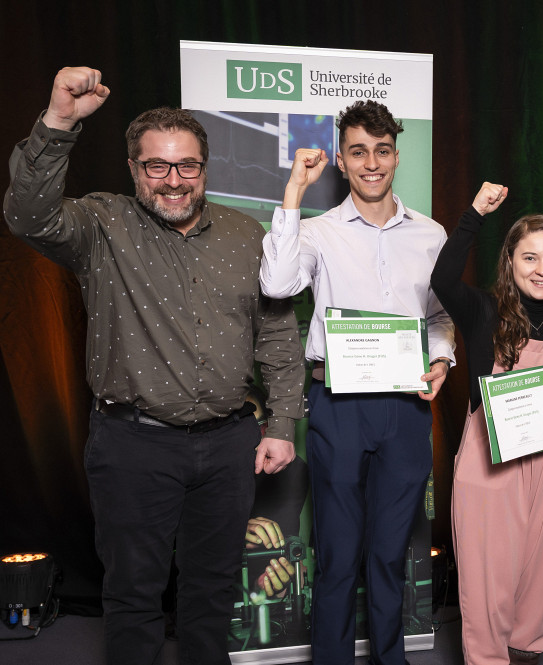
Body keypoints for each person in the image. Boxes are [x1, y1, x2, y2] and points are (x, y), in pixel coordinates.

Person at [4, 67, 305, 665]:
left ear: (205, 168)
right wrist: (59, 121)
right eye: (157, 166)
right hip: (132, 445)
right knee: (134, 597)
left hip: (227, 446)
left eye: (187, 165)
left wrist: (279, 424)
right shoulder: (101, 224)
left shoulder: (247, 236)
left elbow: (276, 332)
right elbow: (28, 216)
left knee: (212, 594)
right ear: (135, 169)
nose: (173, 181)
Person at [259, 100, 455, 665]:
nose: (372, 163)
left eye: (383, 151)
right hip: (337, 401)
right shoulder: (316, 232)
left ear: (397, 155)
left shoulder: (431, 233)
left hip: (404, 407)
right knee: (339, 554)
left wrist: (440, 360)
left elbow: (439, 317)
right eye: (359, 152)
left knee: (391, 554)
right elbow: (276, 285)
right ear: (342, 162)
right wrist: (294, 190)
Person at [430, 183, 543, 665]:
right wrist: (475, 211)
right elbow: (441, 277)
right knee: (488, 576)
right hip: (491, 464)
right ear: (510, 263)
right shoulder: (482, 311)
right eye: (530, 258)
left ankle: (526, 655)